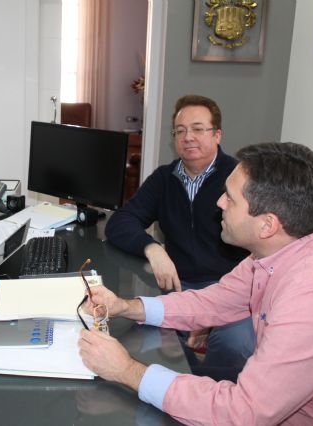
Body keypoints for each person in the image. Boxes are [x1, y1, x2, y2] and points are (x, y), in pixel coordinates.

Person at [79, 142, 313, 424]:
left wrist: (126, 370)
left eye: (230, 199)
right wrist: (126, 307)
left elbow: (242, 413)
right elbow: (215, 301)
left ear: (267, 225)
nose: (219, 202)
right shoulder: (278, 251)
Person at [105, 94, 252, 380]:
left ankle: (215, 396)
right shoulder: (164, 178)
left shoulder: (238, 179)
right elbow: (120, 222)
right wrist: (153, 248)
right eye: (180, 130)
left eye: (198, 129)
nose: (188, 137)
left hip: (229, 286)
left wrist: (211, 312)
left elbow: (258, 248)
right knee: (140, 337)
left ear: (217, 134)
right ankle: (179, 386)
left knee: (235, 344)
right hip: (176, 283)